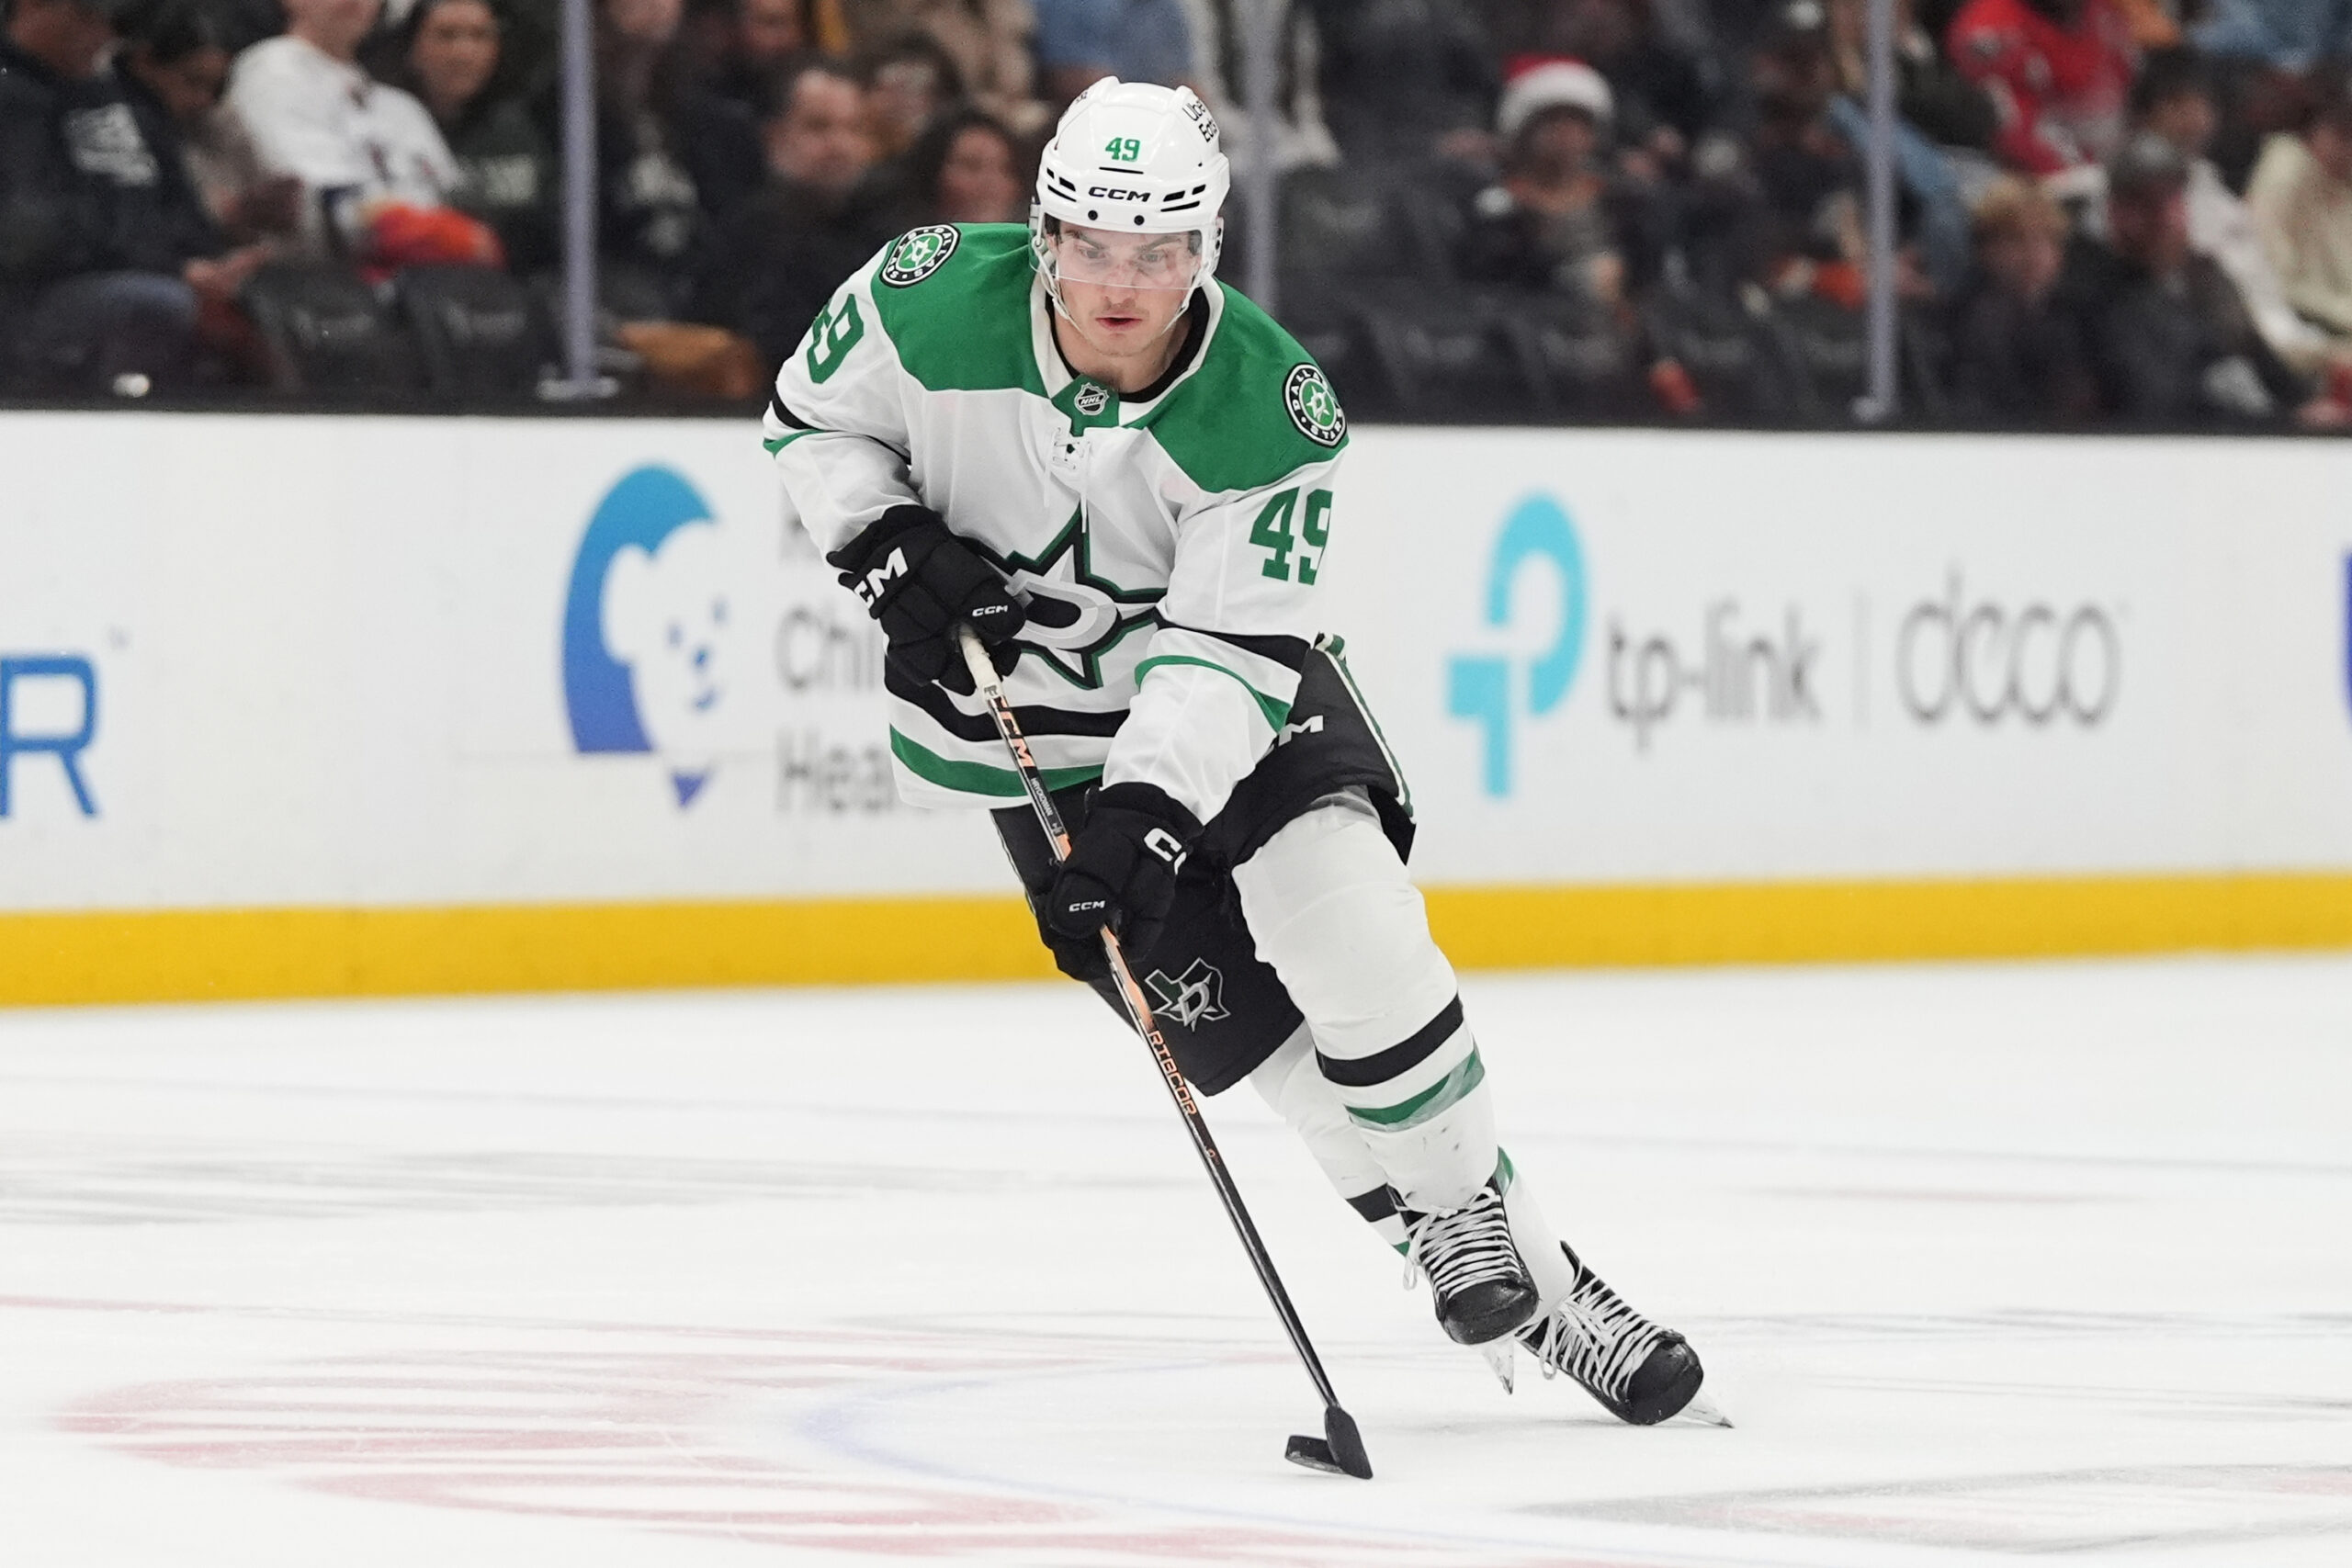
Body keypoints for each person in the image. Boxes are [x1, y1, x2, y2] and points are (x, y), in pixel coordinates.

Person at [762, 77, 1714, 1426]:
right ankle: (1555, 1299)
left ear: (1206, 247)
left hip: (1232, 702)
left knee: (1352, 930)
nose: (1119, 285)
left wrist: (1145, 814)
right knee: (1258, 1046)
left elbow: (1222, 654)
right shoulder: (921, 298)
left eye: (1156, 252)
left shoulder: (1275, 408)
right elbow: (811, 419)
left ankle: (1473, 1222)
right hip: (1029, 734)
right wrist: (879, 540)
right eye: (1091, 243)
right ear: (1042, 232)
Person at [0, 0, 261, 391]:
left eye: (111, 21)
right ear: (33, 7)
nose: (103, 35)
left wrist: (211, 260)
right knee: (156, 305)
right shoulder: (12, 98)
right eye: (88, 15)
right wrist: (172, 269)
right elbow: (30, 233)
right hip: (34, 299)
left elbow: (178, 203)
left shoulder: (121, 97)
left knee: (285, 301)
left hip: (152, 275)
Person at [2075, 130, 2341, 423]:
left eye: (2171, 197)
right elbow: (2159, 400)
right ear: (2115, 212)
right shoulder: (2096, 297)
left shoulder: (2204, 274)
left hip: (2262, 434)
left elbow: (2260, 354)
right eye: (2145, 202)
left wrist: (2306, 404)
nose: (2163, 216)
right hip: (2193, 446)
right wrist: (2282, 422)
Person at [226, 0, 505, 268]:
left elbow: (457, 205)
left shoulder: (398, 105)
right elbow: (329, 209)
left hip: (427, 291)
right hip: (321, 291)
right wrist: (450, 238)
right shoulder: (273, 72)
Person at [2128, 46, 2349, 375]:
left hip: (2287, 337)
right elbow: (2278, 285)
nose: (2201, 118)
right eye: (2187, 105)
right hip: (2234, 347)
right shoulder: (2283, 171)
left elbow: (2264, 288)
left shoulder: (2212, 189)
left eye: (2206, 106)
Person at [697, 58, 885, 366]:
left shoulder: (886, 239)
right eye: (818, 127)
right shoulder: (743, 242)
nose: (840, 145)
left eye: (853, 128)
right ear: (774, 136)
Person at [1458, 60, 1663, 312]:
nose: (1566, 135)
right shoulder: (1499, 209)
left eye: (1578, 124)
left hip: (1614, 323)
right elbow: (1492, 287)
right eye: (1553, 123)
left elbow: (1648, 278)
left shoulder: (1622, 201)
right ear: (1524, 132)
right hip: (1533, 328)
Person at [115, 0, 301, 243]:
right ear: (144, 62)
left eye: (215, 87)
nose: (203, 99)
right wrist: (217, 213)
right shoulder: (116, 120)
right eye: (192, 81)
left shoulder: (215, 119)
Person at [400, 0, 559, 270]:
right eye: (446, 35)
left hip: (516, 292)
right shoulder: (390, 128)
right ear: (414, 48)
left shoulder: (521, 131)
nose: (463, 53)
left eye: (480, 35)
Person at [1944, 175, 2098, 417]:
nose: (2033, 253)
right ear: (1986, 249)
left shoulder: (2081, 317)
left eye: (2046, 239)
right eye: (2017, 239)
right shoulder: (1965, 321)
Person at [1946, 0, 2138, 178]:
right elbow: (2014, 131)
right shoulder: (1989, 29)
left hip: (2114, 158)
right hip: (2043, 180)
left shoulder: (2103, 12)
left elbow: (2136, 91)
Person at [2246, 61, 2352, 345]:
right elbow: (2277, 280)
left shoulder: (2343, 182)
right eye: (2343, 136)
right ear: (2318, 126)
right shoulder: (2284, 170)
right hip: (2300, 325)